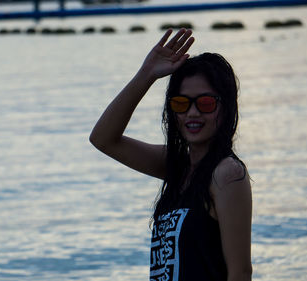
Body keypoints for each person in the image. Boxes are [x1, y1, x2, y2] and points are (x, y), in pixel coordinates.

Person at [89, 29, 252, 281]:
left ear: (226, 106)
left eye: (206, 103)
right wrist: (147, 74)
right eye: (181, 103)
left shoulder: (227, 174)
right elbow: (103, 138)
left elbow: (240, 273)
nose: (192, 113)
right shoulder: (177, 166)